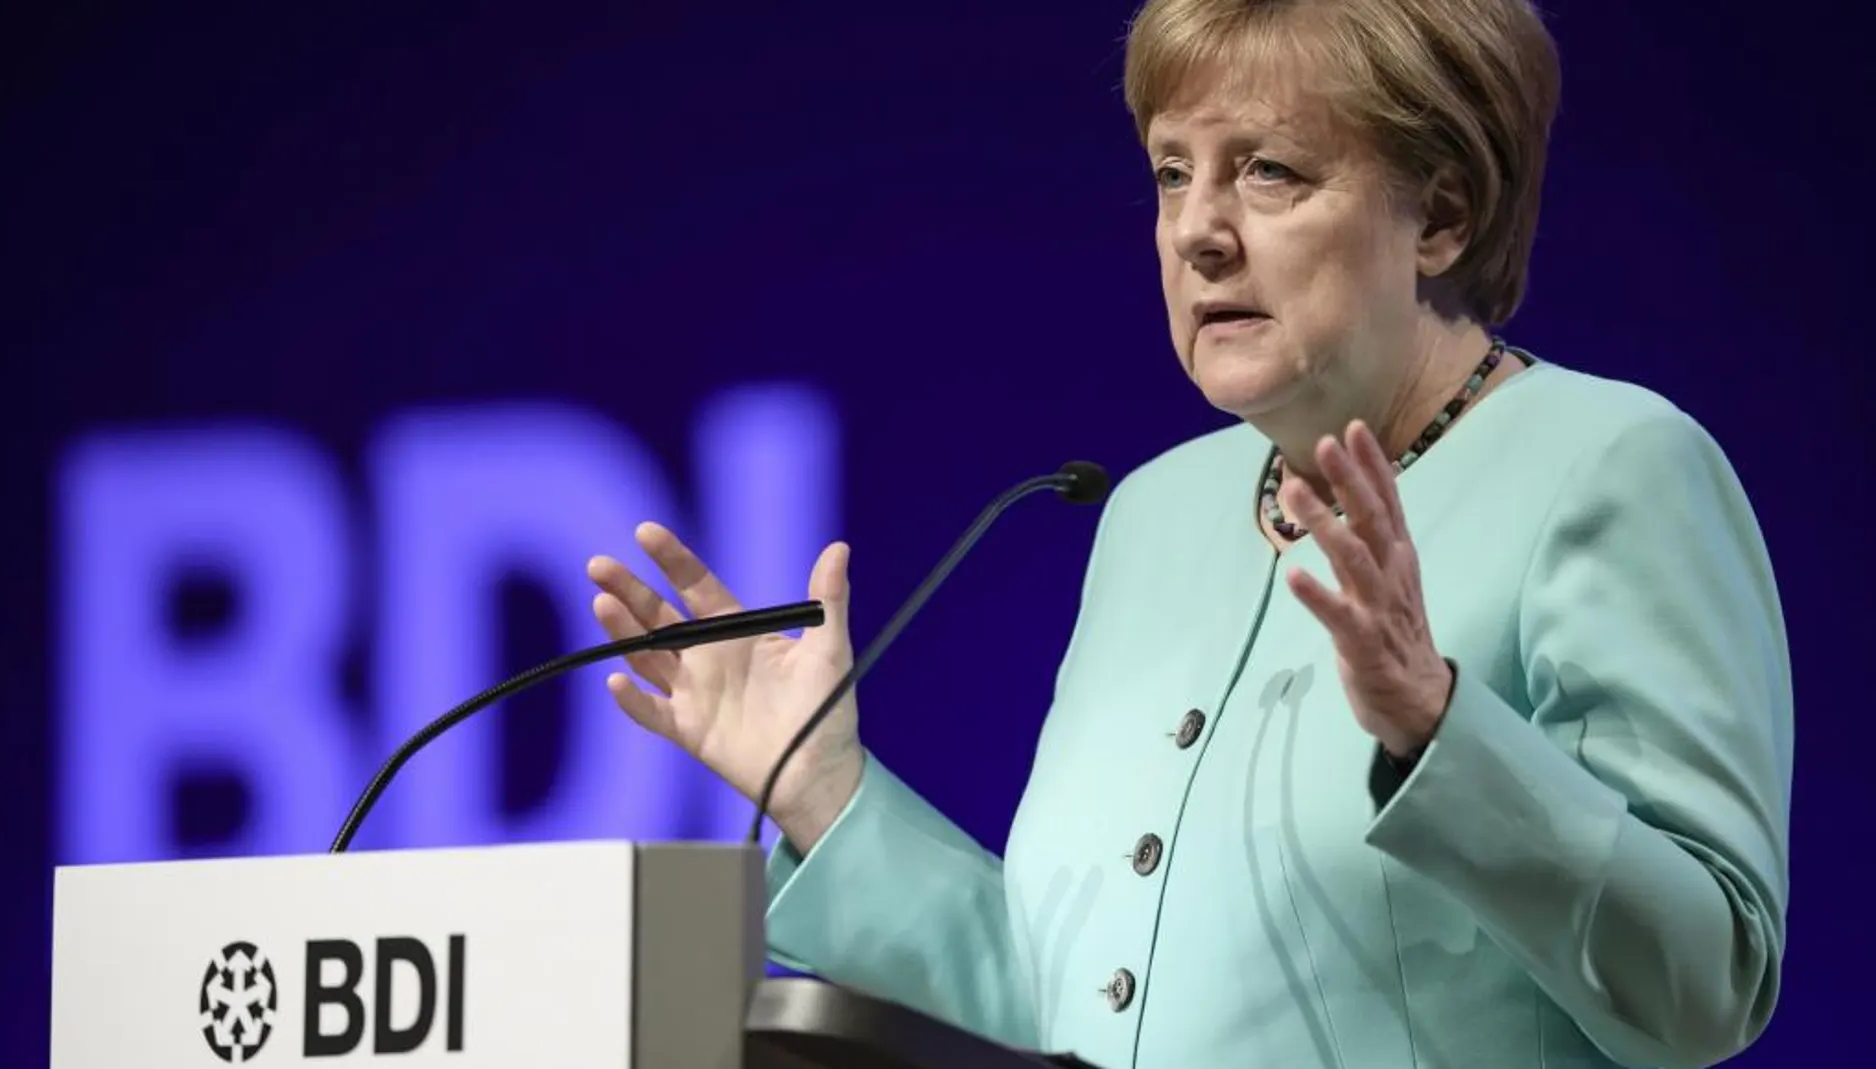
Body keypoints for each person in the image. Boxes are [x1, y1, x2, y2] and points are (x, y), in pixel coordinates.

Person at [584, 0, 1793, 1065]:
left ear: (1441, 214)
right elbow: (1070, 1006)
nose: (1197, 230)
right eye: (1172, 172)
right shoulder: (1152, 517)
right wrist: (824, 795)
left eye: (1268, 171)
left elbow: (1711, 983)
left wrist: (1439, 732)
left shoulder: (1609, 465)